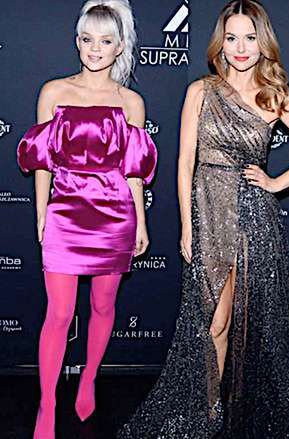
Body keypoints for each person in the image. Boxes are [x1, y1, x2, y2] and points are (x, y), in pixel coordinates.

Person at [118, 1, 289, 437]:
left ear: (263, 43)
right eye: (232, 38)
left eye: (250, 38)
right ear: (221, 43)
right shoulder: (201, 90)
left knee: (239, 325)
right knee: (210, 320)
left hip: (253, 220)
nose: (241, 47)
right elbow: (185, 164)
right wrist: (187, 225)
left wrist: (275, 183)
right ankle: (209, 411)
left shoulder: (273, 97)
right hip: (208, 215)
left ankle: (226, 412)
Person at [16, 1, 157, 438]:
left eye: (105, 41)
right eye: (87, 39)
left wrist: (141, 222)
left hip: (114, 215)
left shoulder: (131, 102)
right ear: (77, 42)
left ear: (120, 47)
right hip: (65, 211)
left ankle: (90, 378)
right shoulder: (53, 92)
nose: (95, 48)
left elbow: (134, 171)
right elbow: (42, 161)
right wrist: (42, 212)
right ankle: (47, 404)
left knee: (102, 305)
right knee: (59, 313)